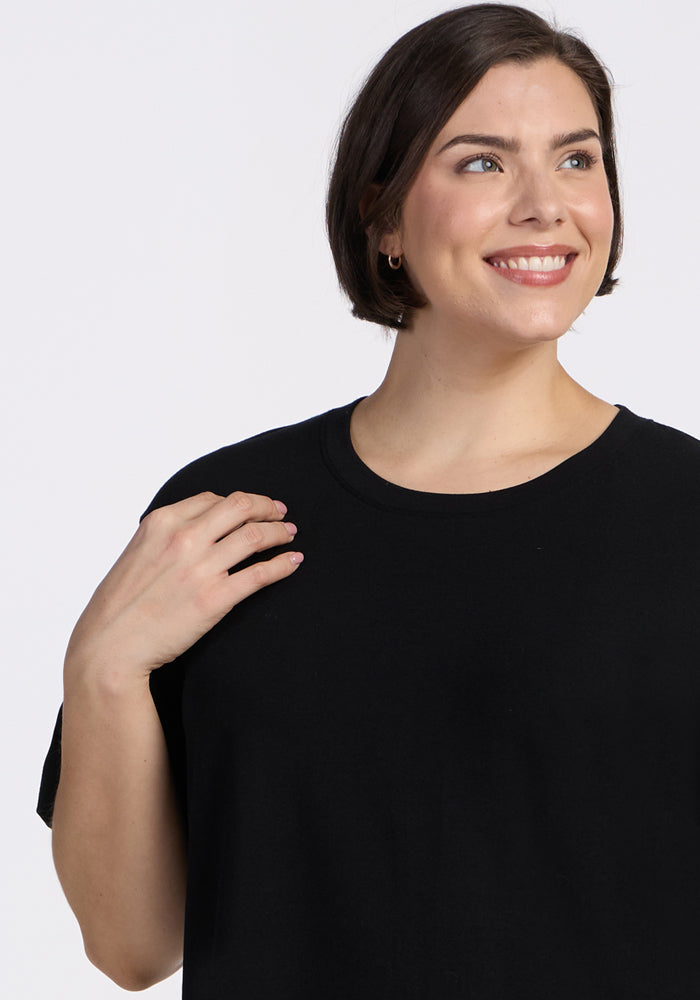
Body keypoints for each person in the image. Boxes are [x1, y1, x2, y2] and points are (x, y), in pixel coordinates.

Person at [38, 4, 700, 998]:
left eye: (576, 159)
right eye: (481, 162)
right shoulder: (226, 520)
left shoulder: (685, 516)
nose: (544, 205)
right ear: (381, 215)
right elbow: (132, 945)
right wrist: (100, 669)